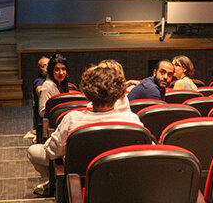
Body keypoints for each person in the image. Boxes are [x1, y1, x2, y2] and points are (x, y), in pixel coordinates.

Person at [27, 65, 142, 196]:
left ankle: (55, 185)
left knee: (33, 150)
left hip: (80, 182)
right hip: (123, 182)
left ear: (87, 92)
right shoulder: (132, 120)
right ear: (118, 93)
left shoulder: (72, 119)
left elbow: (53, 151)